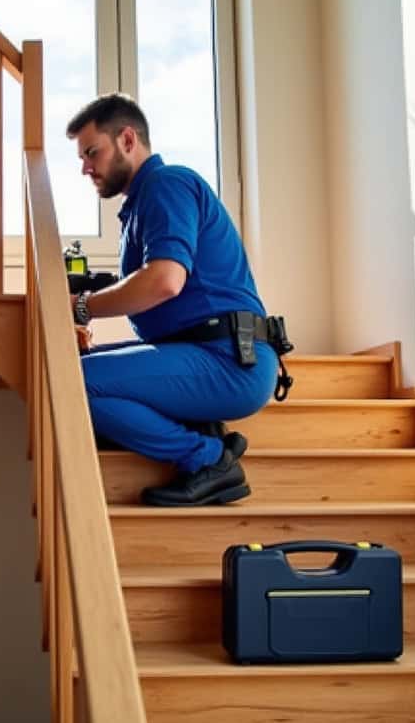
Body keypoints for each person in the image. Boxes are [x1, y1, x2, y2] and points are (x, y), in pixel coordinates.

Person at [66, 93, 286, 507]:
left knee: (73, 382)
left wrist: (82, 307)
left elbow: (164, 281)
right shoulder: (141, 205)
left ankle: (208, 459)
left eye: (92, 152)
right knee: (70, 370)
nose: (85, 168)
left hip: (229, 361)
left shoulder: (167, 184)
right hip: (204, 351)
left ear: (128, 140)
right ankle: (198, 430)